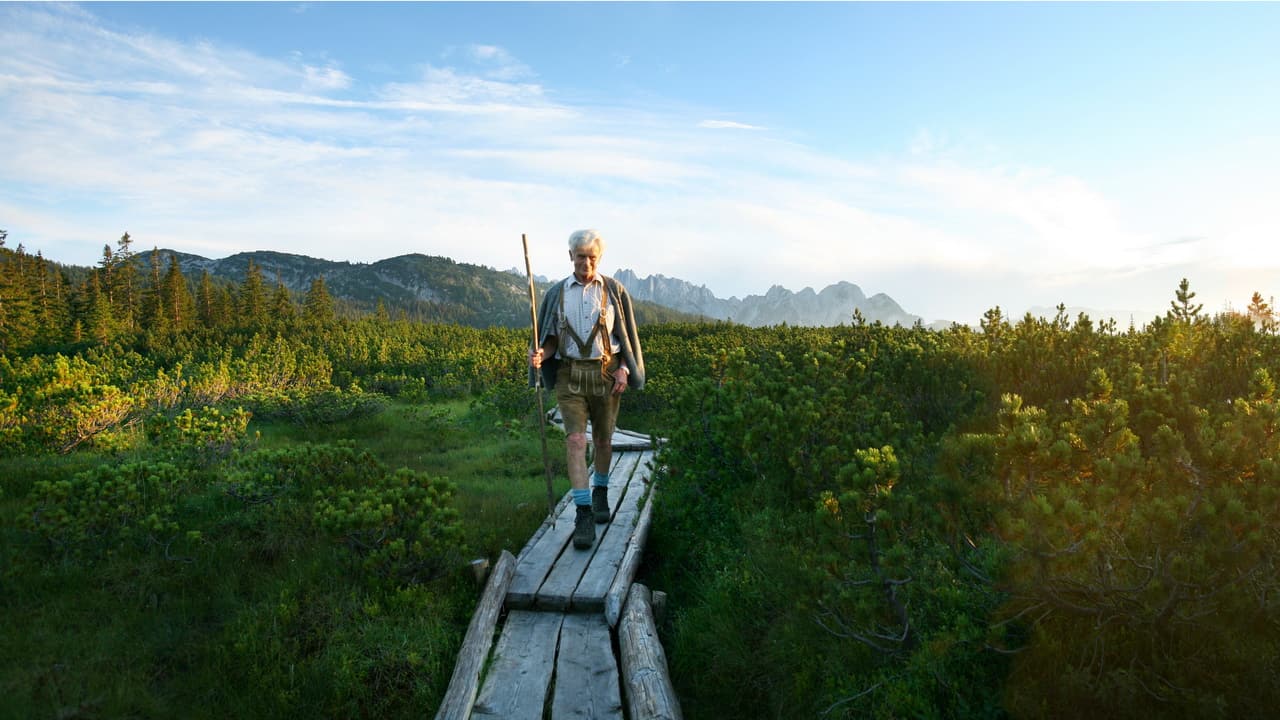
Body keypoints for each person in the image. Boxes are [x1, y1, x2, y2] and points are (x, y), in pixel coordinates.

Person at [529, 229, 645, 549]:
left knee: (604, 440)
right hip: (569, 375)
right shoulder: (557, 294)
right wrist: (541, 355)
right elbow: (551, 341)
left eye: (592, 257)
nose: (587, 263)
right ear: (571, 256)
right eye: (581, 256)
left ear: (599, 258)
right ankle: (583, 514)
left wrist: (624, 370)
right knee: (576, 440)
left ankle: (601, 493)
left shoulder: (614, 291)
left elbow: (625, 337)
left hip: (606, 374)